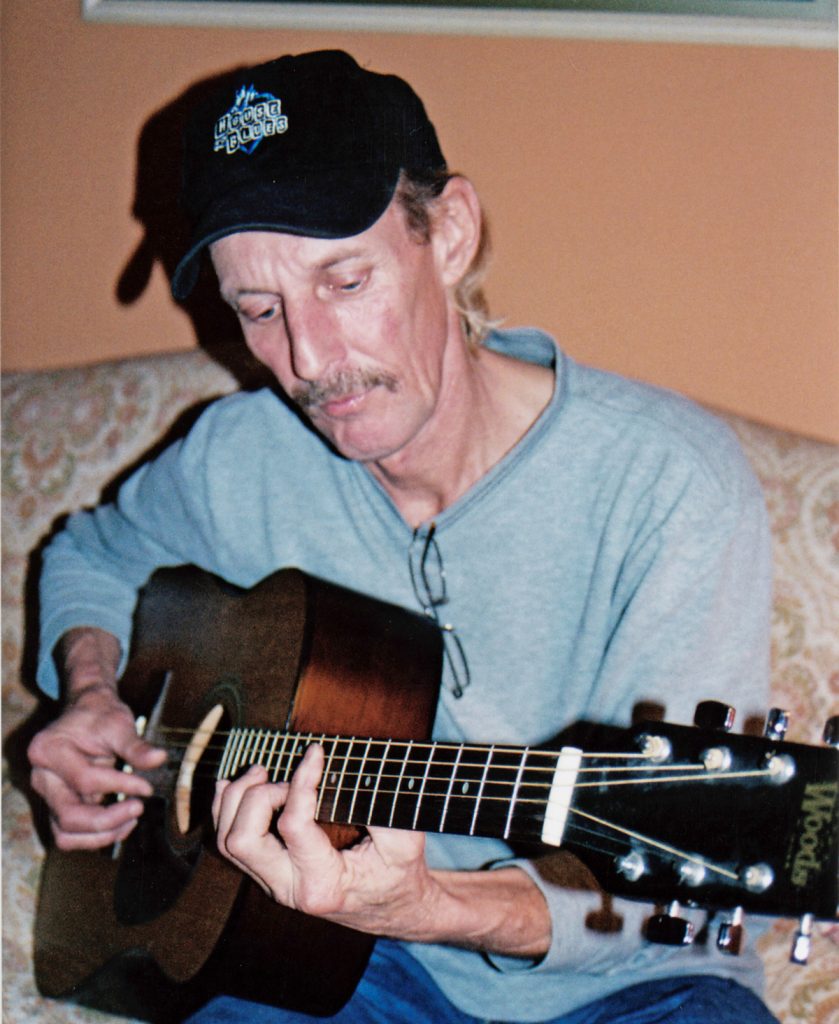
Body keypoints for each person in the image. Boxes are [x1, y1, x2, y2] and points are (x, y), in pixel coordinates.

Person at [28, 50, 778, 1024]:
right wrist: (89, 692)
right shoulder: (240, 456)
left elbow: (671, 885)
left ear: (450, 232)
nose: (308, 359)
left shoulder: (667, 485)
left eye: (342, 281)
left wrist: (431, 903)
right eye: (258, 309)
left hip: (635, 988)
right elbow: (91, 555)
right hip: (345, 963)